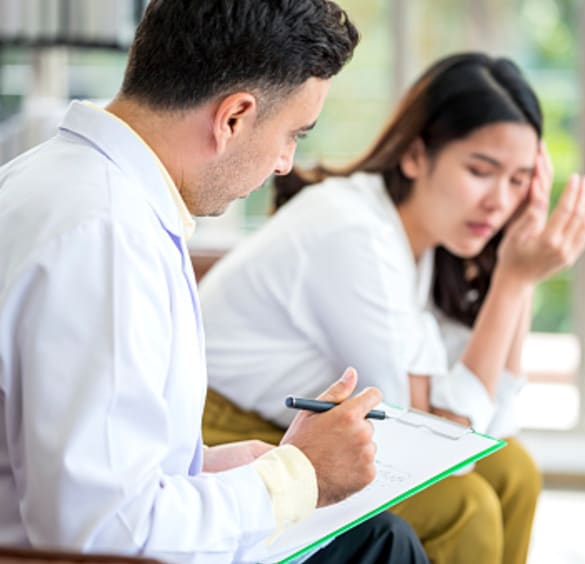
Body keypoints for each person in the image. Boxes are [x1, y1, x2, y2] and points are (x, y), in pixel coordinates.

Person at [0, 1, 429, 563]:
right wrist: (295, 476)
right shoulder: (107, 237)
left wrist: (217, 467)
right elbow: (101, 536)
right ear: (234, 117)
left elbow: (85, 459)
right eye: (291, 135)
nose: (283, 163)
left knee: (377, 540)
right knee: (382, 547)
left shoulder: (50, 179)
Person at [199, 52, 585, 564]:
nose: (500, 201)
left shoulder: (418, 244)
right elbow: (437, 448)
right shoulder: (355, 233)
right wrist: (513, 283)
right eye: (481, 170)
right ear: (414, 156)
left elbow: (488, 427)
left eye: (519, 181)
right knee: (465, 505)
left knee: (513, 470)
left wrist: (516, 275)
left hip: (301, 425)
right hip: (232, 433)